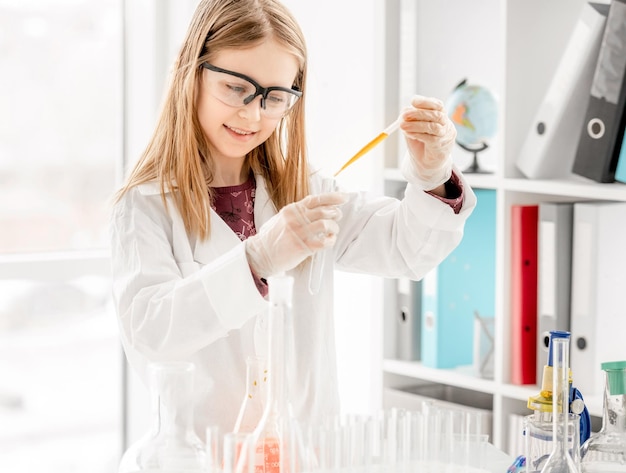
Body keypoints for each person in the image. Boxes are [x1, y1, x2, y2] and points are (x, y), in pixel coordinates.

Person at [110, 0, 476, 439]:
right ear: (193, 73)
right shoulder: (145, 206)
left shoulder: (307, 191)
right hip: (204, 457)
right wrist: (258, 259)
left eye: (274, 97)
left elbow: (404, 249)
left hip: (304, 452)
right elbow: (150, 332)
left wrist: (434, 173)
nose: (253, 114)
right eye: (235, 87)